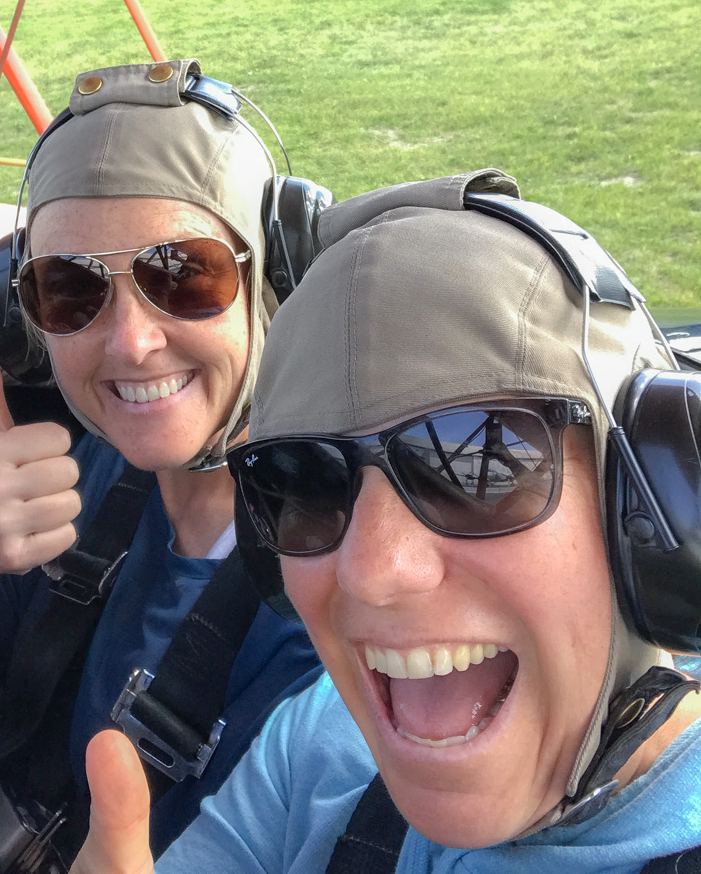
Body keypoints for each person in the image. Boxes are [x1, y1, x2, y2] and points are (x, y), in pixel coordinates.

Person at [67, 168, 701, 874]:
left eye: (474, 469)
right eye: (304, 483)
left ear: (652, 504)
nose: (370, 571)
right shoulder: (315, 740)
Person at [0, 59, 324, 872]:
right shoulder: (92, 473)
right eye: (71, 290)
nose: (130, 341)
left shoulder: (346, 572)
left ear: (271, 280)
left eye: (184, 275)